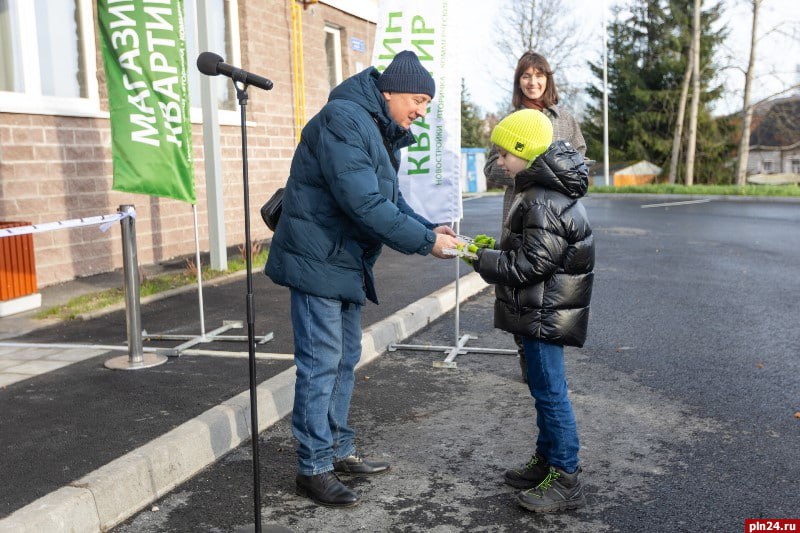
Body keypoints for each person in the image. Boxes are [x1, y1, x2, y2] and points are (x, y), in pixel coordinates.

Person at [265, 50, 461, 508]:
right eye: (417, 100)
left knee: (345, 355)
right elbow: (365, 206)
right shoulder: (345, 120)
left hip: (344, 260)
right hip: (319, 259)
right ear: (388, 91)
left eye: (427, 104)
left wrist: (428, 227)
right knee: (321, 361)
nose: (421, 111)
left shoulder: (378, 129)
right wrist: (422, 243)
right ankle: (312, 467)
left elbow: (387, 199)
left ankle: (337, 449)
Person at [466, 109, 594, 513]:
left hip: (543, 314)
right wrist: (493, 248)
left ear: (524, 151)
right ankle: (547, 461)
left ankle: (566, 476)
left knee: (551, 393)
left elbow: (531, 266)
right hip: (538, 310)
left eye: (504, 154)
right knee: (542, 390)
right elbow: (532, 253)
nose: (500, 162)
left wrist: (481, 259)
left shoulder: (542, 198)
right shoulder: (539, 190)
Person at [484, 51, 587, 383]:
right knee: (520, 289)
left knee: (555, 290)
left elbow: (579, 166)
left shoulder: (566, 120)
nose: (533, 82)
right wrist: (528, 173)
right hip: (520, 214)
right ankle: (526, 353)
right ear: (519, 82)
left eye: (539, 75)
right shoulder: (510, 120)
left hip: (556, 219)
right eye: (526, 76)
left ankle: (547, 358)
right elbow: (491, 169)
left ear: (548, 79)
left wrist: (556, 178)